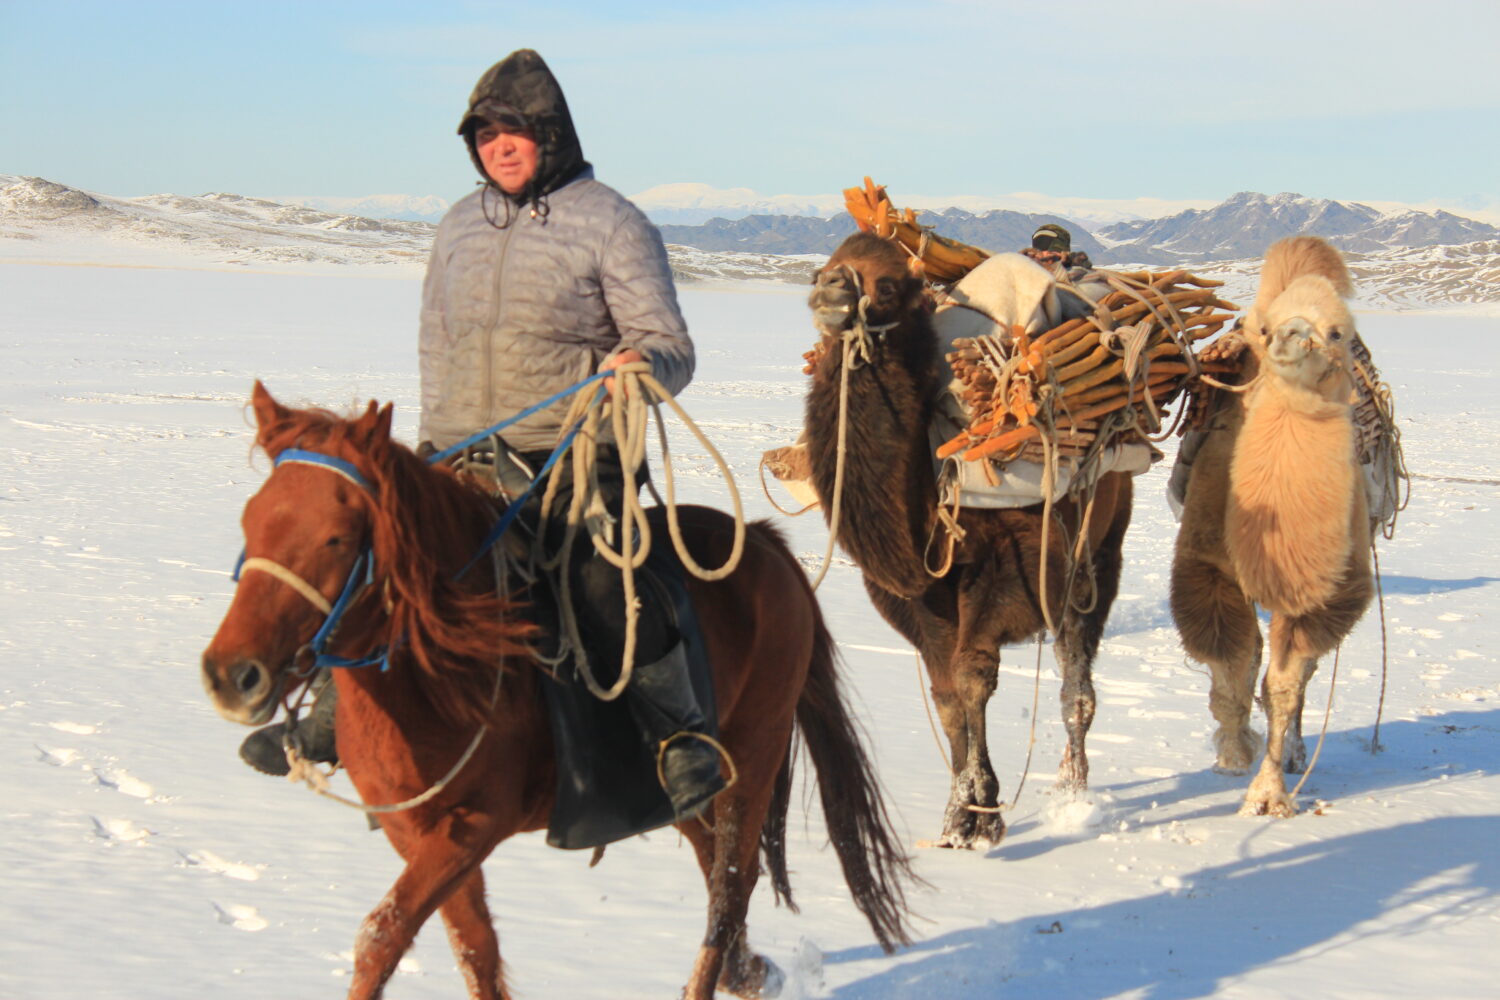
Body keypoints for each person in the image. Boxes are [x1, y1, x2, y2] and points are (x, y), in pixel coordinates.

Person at [241, 49, 724, 820]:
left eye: (515, 131)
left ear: (551, 137)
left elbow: (672, 346)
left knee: (604, 583)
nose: (499, 145)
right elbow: (438, 341)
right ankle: (329, 716)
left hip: (568, 454)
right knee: (364, 552)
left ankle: (679, 734)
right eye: (485, 133)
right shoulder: (459, 226)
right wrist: (428, 453)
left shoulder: (613, 222)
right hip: (460, 452)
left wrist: (643, 364)